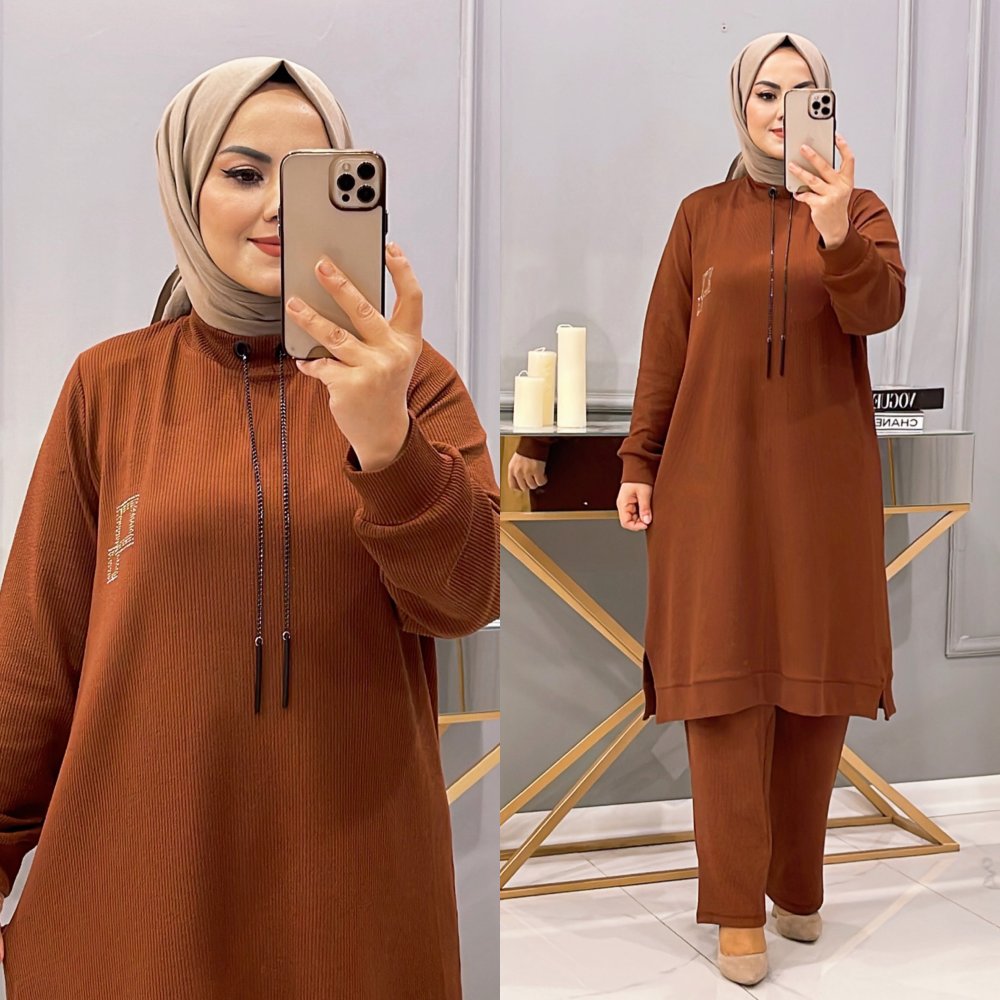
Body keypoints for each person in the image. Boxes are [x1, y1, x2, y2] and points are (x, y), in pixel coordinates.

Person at [0, 56, 499, 999]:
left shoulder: (414, 380)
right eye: (242, 172)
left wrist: (387, 442)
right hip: (143, 884)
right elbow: (34, 649)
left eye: (309, 176)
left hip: (354, 884)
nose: (276, 206)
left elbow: (466, 598)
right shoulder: (110, 384)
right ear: (187, 189)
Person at [615, 32, 904, 987]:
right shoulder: (700, 216)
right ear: (741, 107)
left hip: (824, 489)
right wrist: (639, 458)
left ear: (829, 104)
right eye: (766, 94)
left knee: (816, 690)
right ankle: (736, 907)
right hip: (713, 486)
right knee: (725, 690)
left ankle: (797, 886)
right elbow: (665, 348)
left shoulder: (861, 210)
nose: (783, 111)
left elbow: (877, 311)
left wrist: (836, 229)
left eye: (803, 93)